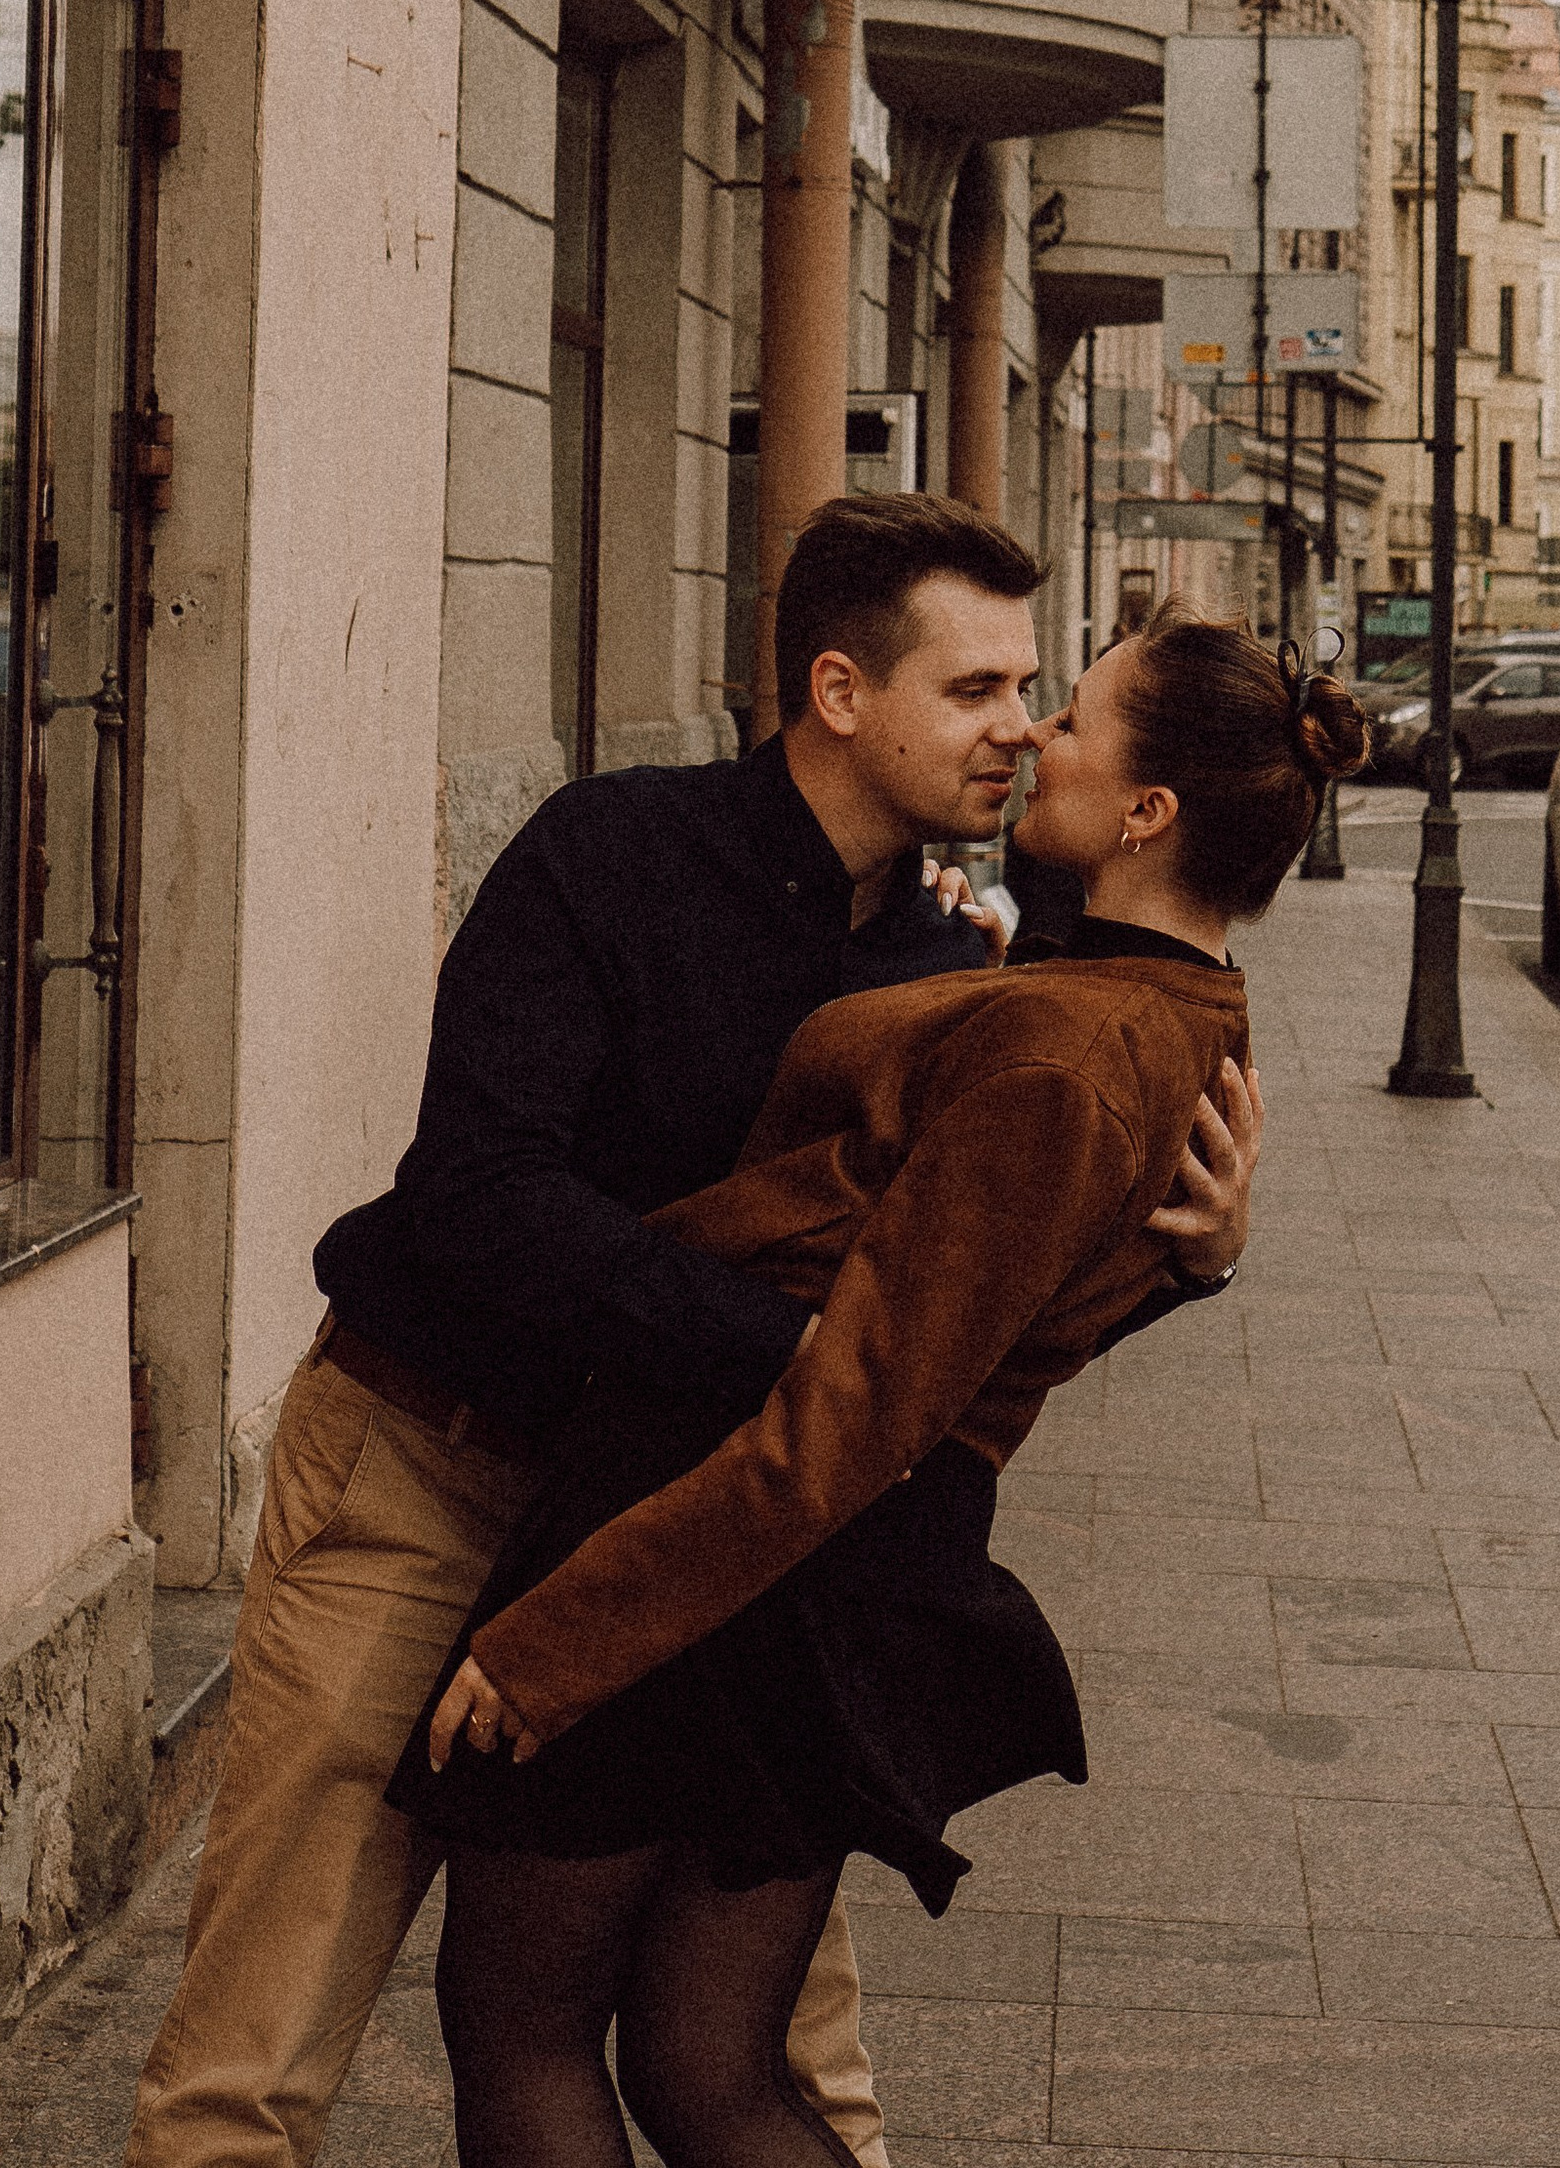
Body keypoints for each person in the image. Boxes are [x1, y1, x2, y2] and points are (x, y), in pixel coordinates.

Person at [125, 497, 1262, 2168]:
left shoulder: (958, 953)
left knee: (777, 2059)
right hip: (434, 1476)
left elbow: (962, 1310)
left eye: (1038, 689)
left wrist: (1186, 1259)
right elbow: (478, 1192)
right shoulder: (613, 852)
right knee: (259, 2052)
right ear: (839, 691)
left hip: (700, 1539)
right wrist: (793, 1368)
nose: (1020, 728)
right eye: (977, 690)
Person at [385, 614, 1364, 2168]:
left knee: (529, 2029)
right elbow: (1000, 1318)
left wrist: (559, 1637)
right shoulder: (1153, 1010)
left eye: (1077, 718)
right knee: (708, 2070)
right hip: (791, 1566)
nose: (1038, 733)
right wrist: (1188, 1266)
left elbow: (863, 1409)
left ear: (1146, 814)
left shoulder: (1067, 1045)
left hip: (715, 1543)